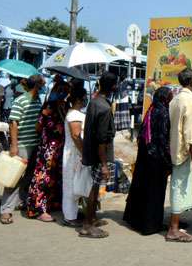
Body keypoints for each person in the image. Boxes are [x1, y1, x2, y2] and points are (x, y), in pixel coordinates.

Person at [123, 86, 174, 235]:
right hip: (156, 158)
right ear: (165, 97)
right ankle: (150, 225)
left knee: (142, 188)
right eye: (170, 96)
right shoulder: (163, 112)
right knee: (155, 192)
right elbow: (163, 139)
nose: (171, 98)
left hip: (145, 155)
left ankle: (137, 220)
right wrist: (168, 161)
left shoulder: (151, 109)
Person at [0, 74, 44, 224]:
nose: (44, 85)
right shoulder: (21, 100)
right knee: (14, 177)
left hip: (34, 143)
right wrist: (14, 145)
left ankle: (21, 200)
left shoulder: (37, 100)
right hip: (23, 144)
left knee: (29, 176)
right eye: (42, 83)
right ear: (37, 86)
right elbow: (13, 123)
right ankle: (6, 210)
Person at [80, 72, 118, 239]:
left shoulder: (95, 102)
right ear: (113, 87)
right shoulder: (103, 107)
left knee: (94, 187)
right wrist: (104, 164)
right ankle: (87, 225)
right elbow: (102, 139)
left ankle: (92, 218)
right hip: (100, 154)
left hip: (92, 151)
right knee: (95, 188)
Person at [165, 68, 192, 243]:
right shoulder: (190, 100)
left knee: (178, 186)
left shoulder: (176, 99)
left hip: (173, 148)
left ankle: (175, 224)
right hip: (183, 151)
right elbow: (189, 131)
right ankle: (173, 228)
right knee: (178, 186)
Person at [26, 84, 69, 222]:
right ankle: (38, 209)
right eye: (61, 90)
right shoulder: (48, 106)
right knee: (43, 178)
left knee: (55, 178)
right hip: (48, 149)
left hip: (60, 148)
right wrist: (45, 116)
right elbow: (38, 127)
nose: (64, 93)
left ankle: (52, 204)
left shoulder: (66, 106)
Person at [62, 87, 88, 227]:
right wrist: (84, 152)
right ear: (78, 99)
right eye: (84, 97)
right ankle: (70, 217)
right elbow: (76, 136)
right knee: (71, 185)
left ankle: (73, 213)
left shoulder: (76, 113)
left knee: (75, 184)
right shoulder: (74, 116)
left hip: (75, 153)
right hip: (74, 154)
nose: (86, 99)